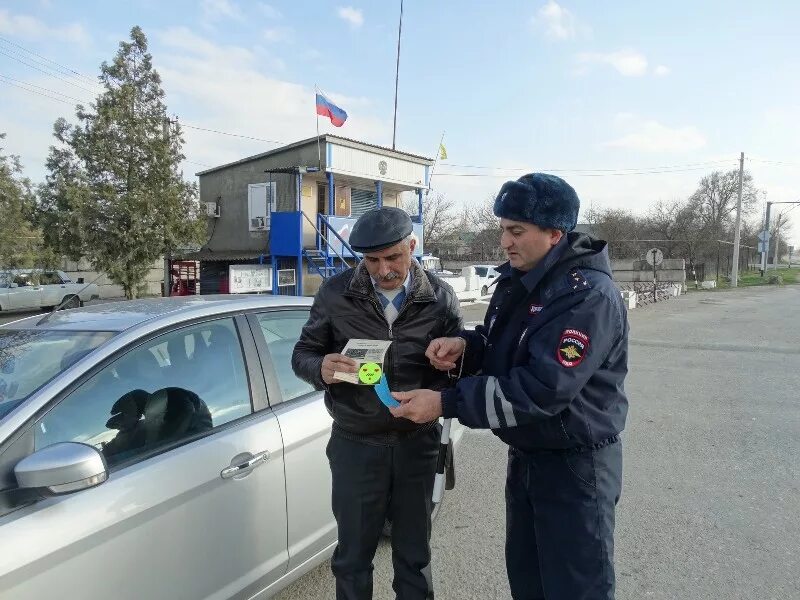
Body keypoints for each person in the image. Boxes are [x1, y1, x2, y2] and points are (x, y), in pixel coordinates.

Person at [390, 173, 629, 600]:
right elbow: (507, 346)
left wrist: (444, 402)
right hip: (530, 457)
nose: (505, 241)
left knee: (575, 586)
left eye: (516, 230)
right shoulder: (520, 280)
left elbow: (540, 388)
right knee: (529, 579)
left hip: (576, 467)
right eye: (503, 228)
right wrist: (465, 346)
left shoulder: (586, 297)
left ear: (555, 233)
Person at [291, 206, 463, 600]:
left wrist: (453, 359)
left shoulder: (440, 296)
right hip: (355, 444)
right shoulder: (336, 293)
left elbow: (459, 369)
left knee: (414, 557)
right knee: (352, 558)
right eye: (371, 260)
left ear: (412, 246)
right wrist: (322, 367)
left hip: (417, 443)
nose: (383, 269)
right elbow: (303, 353)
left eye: (393, 257)